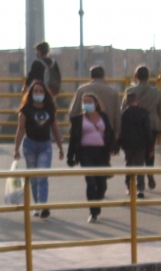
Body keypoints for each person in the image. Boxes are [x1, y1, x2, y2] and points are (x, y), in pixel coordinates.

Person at [13, 81, 64, 218]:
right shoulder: (26, 109)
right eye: (35, 91)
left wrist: (60, 147)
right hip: (29, 145)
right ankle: (37, 205)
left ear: (45, 94)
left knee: (42, 176)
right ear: (31, 94)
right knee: (34, 178)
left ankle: (43, 206)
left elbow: (55, 128)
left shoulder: (49, 109)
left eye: (41, 91)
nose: (38, 94)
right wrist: (16, 149)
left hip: (45, 146)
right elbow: (20, 129)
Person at [67, 93, 114, 223]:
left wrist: (113, 147)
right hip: (85, 153)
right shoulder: (78, 120)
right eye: (84, 102)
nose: (86, 104)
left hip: (101, 153)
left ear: (96, 103)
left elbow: (109, 132)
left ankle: (97, 204)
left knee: (102, 184)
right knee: (91, 182)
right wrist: (70, 157)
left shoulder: (103, 117)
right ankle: (93, 212)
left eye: (89, 101)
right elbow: (73, 139)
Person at [123, 66, 161, 189]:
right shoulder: (157, 92)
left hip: (134, 125)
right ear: (148, 77)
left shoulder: (130, 91)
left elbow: (123, 108)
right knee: (150, 151)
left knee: (135, 153)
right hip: (152, 124)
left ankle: (133, 182)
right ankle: (149, 172)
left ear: (136, 76)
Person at [70, 66, 122, 143]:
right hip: (106, 133)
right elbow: (117, 115)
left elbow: (73, 113)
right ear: (103, 76)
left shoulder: (82, 90)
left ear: (91, 76)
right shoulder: (113, 92)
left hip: (85, 132)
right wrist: (116, 133)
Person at [119, 92, 153, 198]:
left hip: (128, 143)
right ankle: (140, 189)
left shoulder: (124, 114)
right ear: (137, 101)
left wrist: (119, 143)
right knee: (139, 166)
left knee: (129, 164)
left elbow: (121, 130)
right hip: (141, 144)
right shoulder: (144, 113)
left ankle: (129, 186)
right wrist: (150, 146)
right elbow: (148, 131)